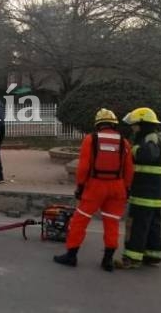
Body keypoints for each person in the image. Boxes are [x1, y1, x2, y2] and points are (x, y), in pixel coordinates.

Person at [53, 108, 134, 271]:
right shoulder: (123, 142)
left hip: (95, 186)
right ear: (114, 124)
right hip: (117, 187)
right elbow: (129, 169)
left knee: (80, 221)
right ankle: (108, 260)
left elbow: (83, 167)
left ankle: (71, 255)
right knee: (112, 224)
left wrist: (80, 187)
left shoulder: (91, 139)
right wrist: (126, 188)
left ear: (98, 124)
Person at [116, 107, 161, 269]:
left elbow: (148, 156)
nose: (133, 127)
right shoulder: (151, 136)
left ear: (143, 124)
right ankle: (152, 254)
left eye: (135, 124)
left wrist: (133, 150)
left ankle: (132, 258)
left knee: (136, 224)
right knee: (152, 224)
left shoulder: (149, 138)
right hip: (154, 191)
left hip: (145, 191)